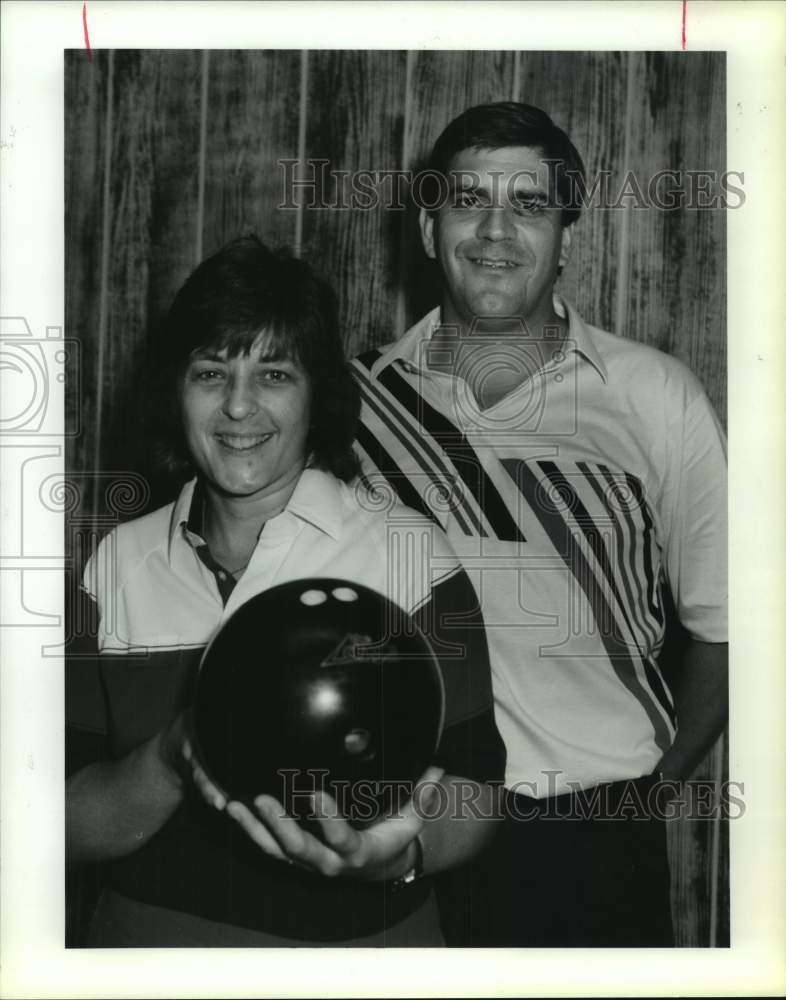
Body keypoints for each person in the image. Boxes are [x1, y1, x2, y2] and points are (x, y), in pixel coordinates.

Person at [352, 102, 728, 946]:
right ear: (426, 224)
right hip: (405, 828)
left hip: (592, 845)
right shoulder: (357, 402)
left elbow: (729, 627)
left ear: (567, 235)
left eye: (528, 204)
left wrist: (644, 798)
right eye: (467, 200)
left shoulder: (654, 396)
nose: (494, 230)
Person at [65, 235, 505, 947]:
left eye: (274, 374)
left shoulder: (408, 553)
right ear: (175, 389)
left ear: (318, 395)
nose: (239, 408)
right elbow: (54, 821)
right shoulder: (115, 562)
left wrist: (389, 857)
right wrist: (176, 755)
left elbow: (477, 792)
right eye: (211, 373)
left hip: (359, 955)